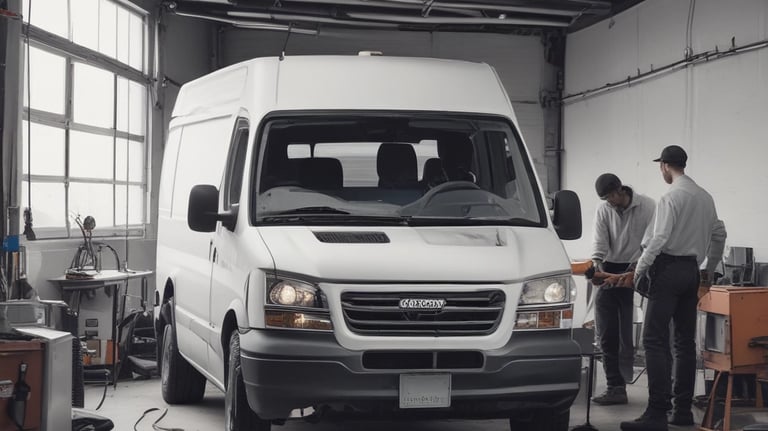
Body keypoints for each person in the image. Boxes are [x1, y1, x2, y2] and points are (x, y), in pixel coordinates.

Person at [612, 145, 727, 431]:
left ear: (664, 165)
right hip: (691, 271)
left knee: (653, 339)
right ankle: (682, 412)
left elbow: (659, 238)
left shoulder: (671, 197)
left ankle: (656, 414)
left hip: (668, 269)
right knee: (685, 343)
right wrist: (709, 271)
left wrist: (639, 271)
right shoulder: (705, 197)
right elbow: (720, 233)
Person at [590, 173, 655, 406]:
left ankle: (656, 391)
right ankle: (615, 387)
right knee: (607, 332)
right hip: (609, 269)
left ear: (620, 190)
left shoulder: (647, 206)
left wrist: (636, 269)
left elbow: (652, 241)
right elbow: (600, 242)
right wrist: (597, 265)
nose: (608, 202)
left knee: (635, 335)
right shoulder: (603, 209)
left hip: (639, 269)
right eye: (604, 198)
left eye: (610, 197)